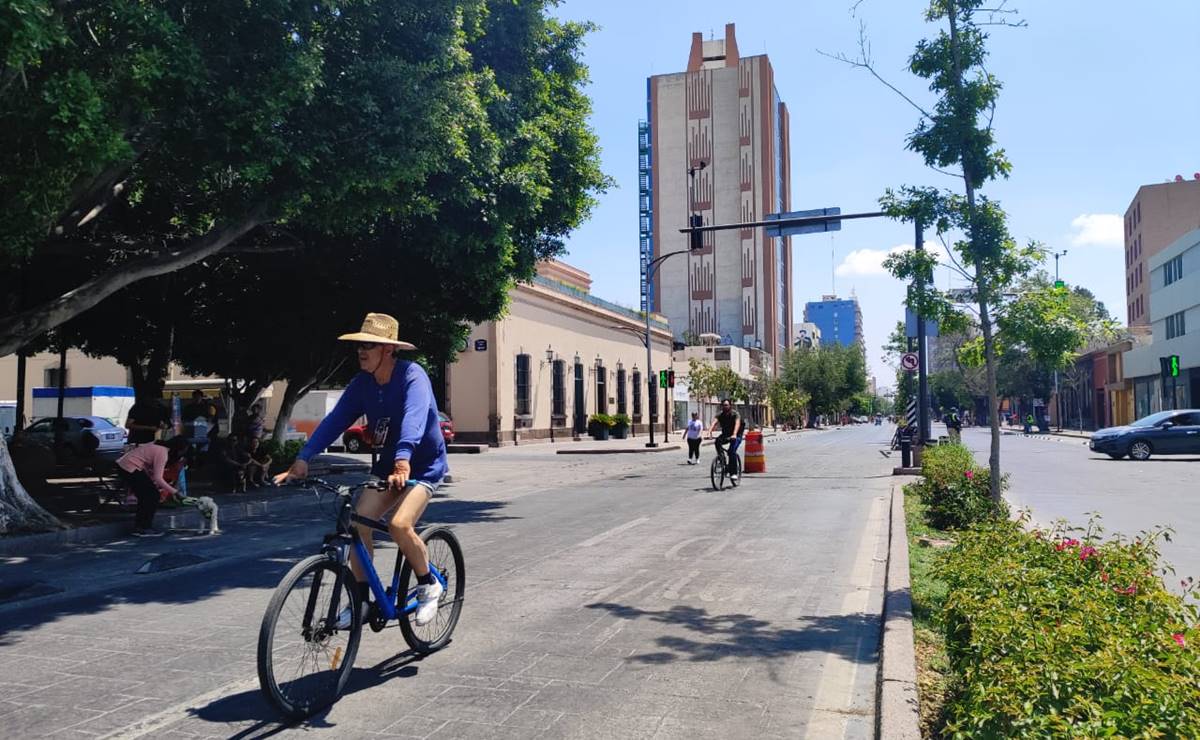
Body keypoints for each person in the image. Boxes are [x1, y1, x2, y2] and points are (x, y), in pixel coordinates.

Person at [275, 313, 450, 628]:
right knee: (358, 524)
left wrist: (403, 459)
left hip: (420, 466)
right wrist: (304, 457)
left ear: (388, 350)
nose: (361, 351)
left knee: (399, 525)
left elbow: (415, 418)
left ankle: (428, 585)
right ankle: (361, 602)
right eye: (359, 345)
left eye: (369, 345)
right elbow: (335, 420)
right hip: (387, 469)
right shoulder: (362, 384)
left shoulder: (413, 375)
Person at [115, 437, 188, 536]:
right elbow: (159, 478)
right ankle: (144, 527)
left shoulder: (157, 445)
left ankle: (141, 526)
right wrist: (175, 492)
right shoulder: (163, 453)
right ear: (178, 449)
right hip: (130, 467)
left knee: (146, 496)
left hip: (126, 465)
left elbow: (153, 474)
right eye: (182, 451)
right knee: (152, 496)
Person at [707, 399, 744, 481]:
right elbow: (714, 422)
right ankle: (721, 459)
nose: (725, 406)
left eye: (726, 405)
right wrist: (709, 431)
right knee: (717, 441)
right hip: (726, 435)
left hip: (736, 435)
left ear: (730, 406)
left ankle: (733, 473)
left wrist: (734, 434)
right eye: (723, 405)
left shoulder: (735, 414)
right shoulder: (720, 414)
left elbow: (737, 424)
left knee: (731, 451)